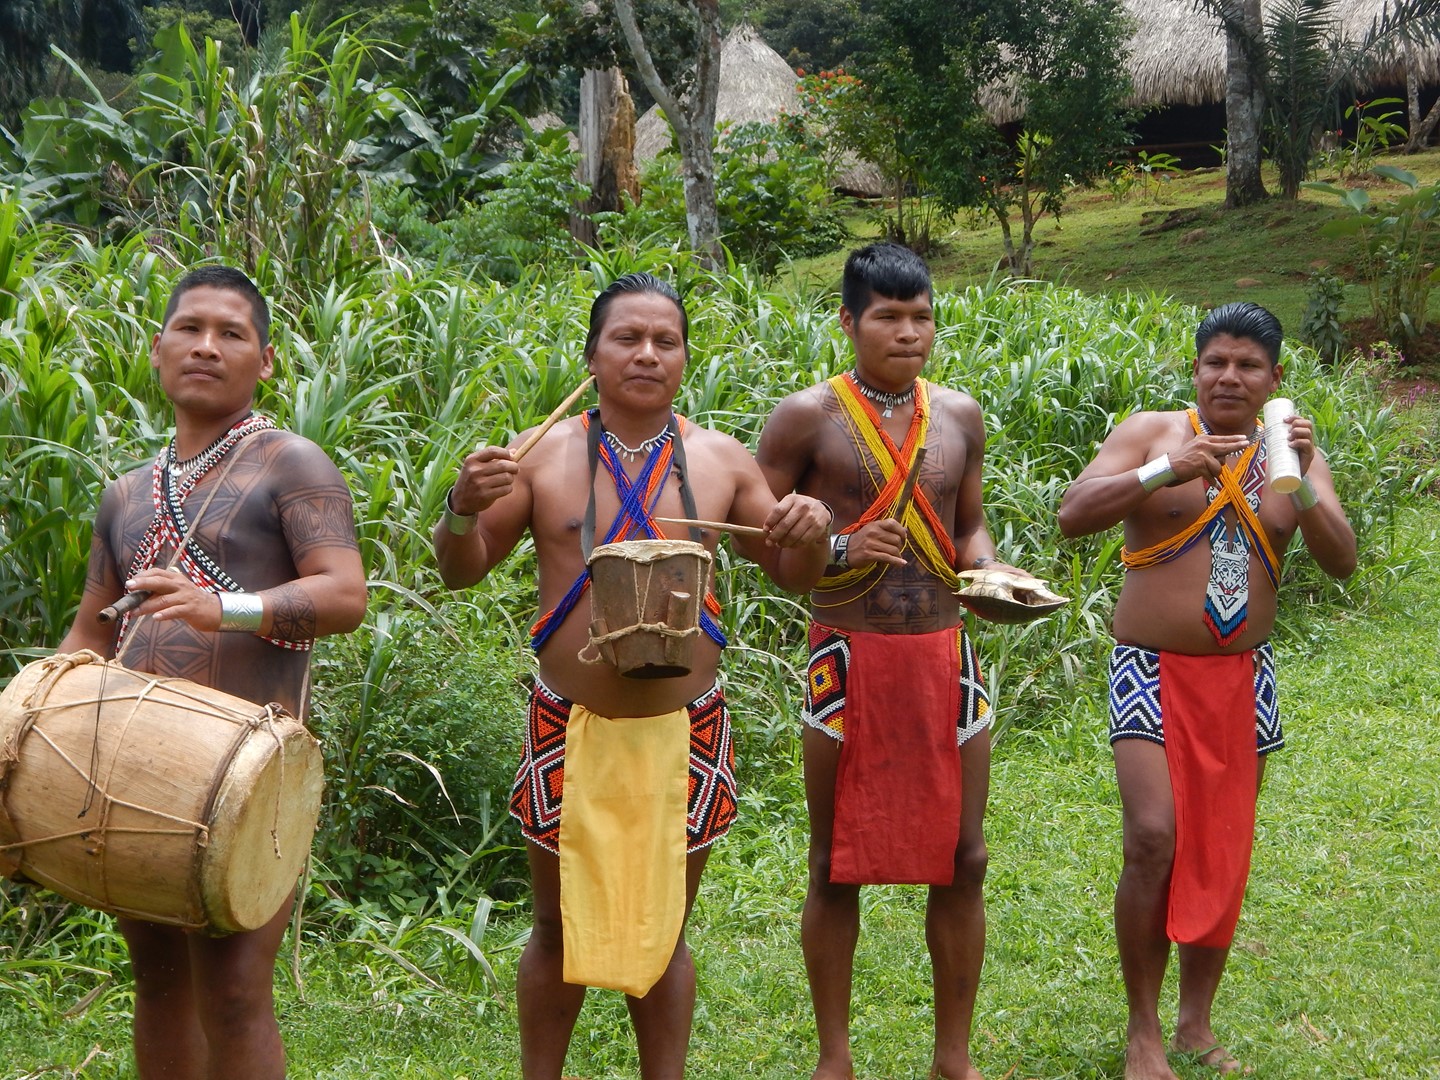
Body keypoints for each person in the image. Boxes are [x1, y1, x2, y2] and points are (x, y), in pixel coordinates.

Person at [433, 272, 832, 1080]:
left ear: (684, 357)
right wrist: (462, 508)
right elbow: (461, 571)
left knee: (664, 928)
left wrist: (814, 527)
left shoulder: (720, 460)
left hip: (687, 729)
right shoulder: (539, 456)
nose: (647, 354)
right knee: (554, 927)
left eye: (666, 340)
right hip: (567, 725)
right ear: (592, 355)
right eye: (627, 338)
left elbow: (792, 571)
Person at [56, 265, 368, 1078]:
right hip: (133, 774)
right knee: (157, 980)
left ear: (265, 361)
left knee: (232, 989)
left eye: (231, 333)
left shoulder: (293, 463)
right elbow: (88, 634)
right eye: (189, 329)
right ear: (156, 349)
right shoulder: (126, 494)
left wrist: (222, 607)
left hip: (249, 779)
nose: (206, 345)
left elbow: (344, 594)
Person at [1057, 301, 1356, 1080]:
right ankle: (1143, 1029)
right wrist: (1167, 469)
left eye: (1247, 365)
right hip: (1149, 669)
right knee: (1153, 836)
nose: (1230, 376)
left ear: (1274, 377)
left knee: (1220, 847)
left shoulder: (1292, 449)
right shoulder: (1153, 432)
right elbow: (1071, 515)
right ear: (1194, 369)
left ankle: (1195, 1024)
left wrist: (1306, 482)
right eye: (1215, 362)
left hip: (1241, 678)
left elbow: (1342, 561)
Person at [757, 242, 1025, 1080]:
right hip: (846, 656)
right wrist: (836, 545)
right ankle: (834, 1058)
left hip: (948, 655)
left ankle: (954, 1056)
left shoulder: (961, 414)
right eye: (887, 317)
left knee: (966, 856)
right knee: (834, 861)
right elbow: (761, 537)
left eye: (921, 317)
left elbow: (968, 521)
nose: (908, 334)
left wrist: (992, 569)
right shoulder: (805, 418)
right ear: (848, 322)